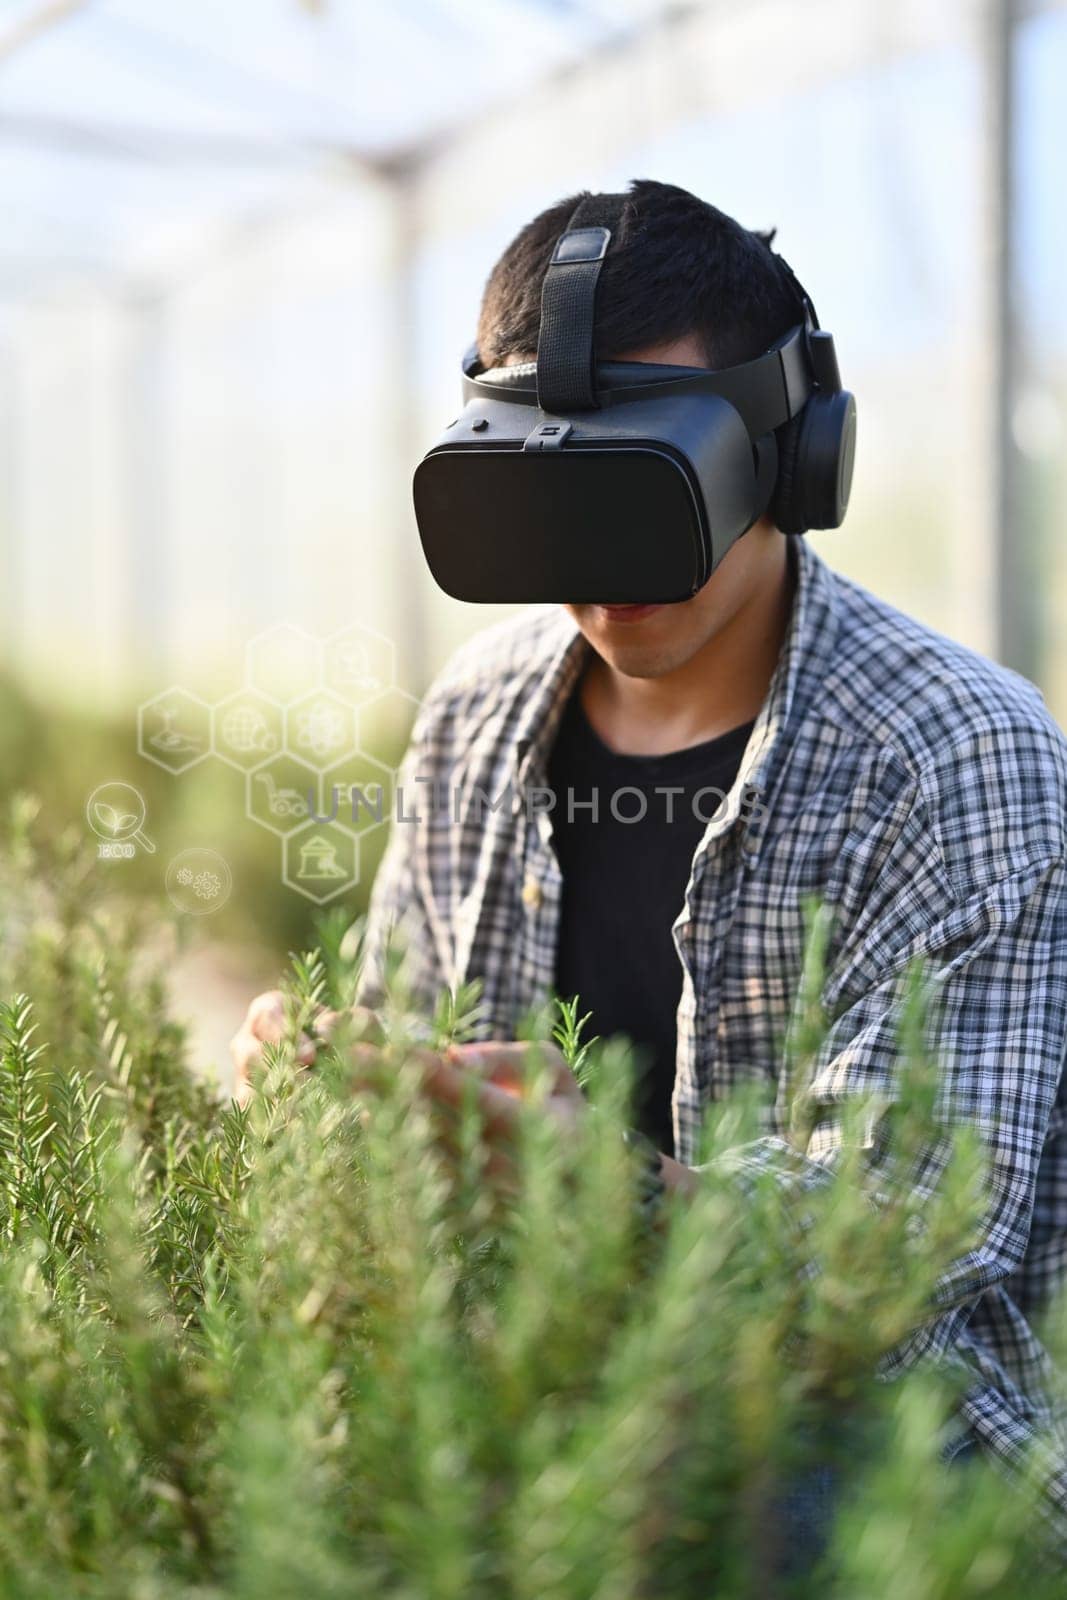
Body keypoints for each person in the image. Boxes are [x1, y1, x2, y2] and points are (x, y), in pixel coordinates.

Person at [232, 179, 1067, 1552]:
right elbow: (411, 1051)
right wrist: (345, 1096)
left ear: (790, 458)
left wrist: (600, 1195)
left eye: (650, 492)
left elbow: (894, 1259)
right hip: (550, 1410)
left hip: (881, 1451)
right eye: (555, 505)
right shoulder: (478, 715)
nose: (606, 580)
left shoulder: (959, 755)